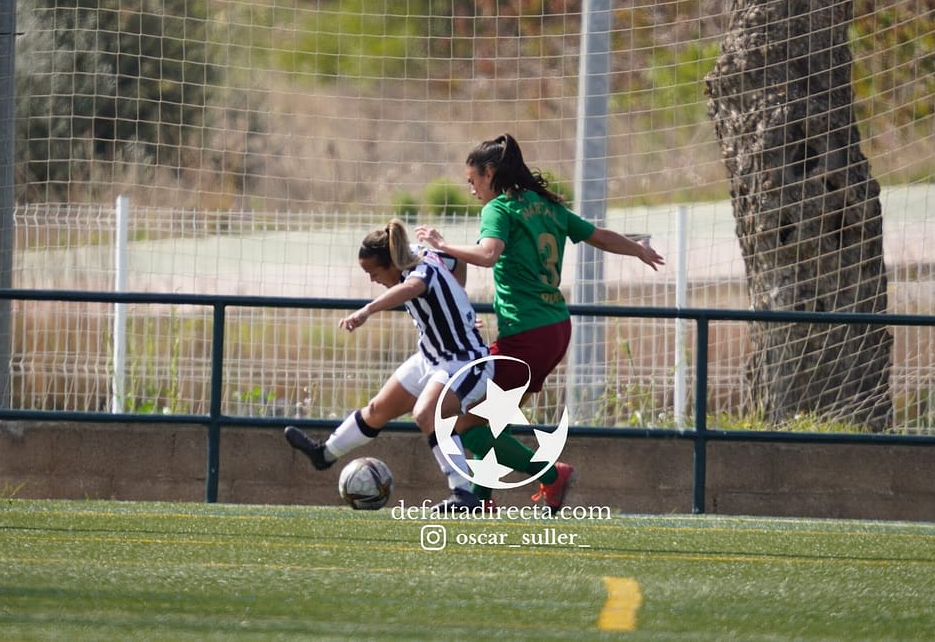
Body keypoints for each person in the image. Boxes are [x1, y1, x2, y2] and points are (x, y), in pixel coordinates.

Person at [416, 133, 665, 514]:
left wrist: (442, 244)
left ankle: (550, 475)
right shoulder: (546, 205)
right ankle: (482, 501)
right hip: (555, 329)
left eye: (472, 181)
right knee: (491, 420)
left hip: (527, 337)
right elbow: (597, 235)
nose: (472, 190)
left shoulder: (500, 208)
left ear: (490, 173)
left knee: (464, 424)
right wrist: (638, 249)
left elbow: (487, 254)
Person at [284, 218, 493, 510]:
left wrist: (368, 310)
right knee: (376, 411)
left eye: (373, 272)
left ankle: (463, 494)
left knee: (427, 413)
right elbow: (455, 260)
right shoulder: (415, 253)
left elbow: (412, 288)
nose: (372, 280)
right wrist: (458, 300)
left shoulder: (420, 270)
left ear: (392, 264)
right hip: (431, 358)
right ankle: (324, 455)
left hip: (466, 362)